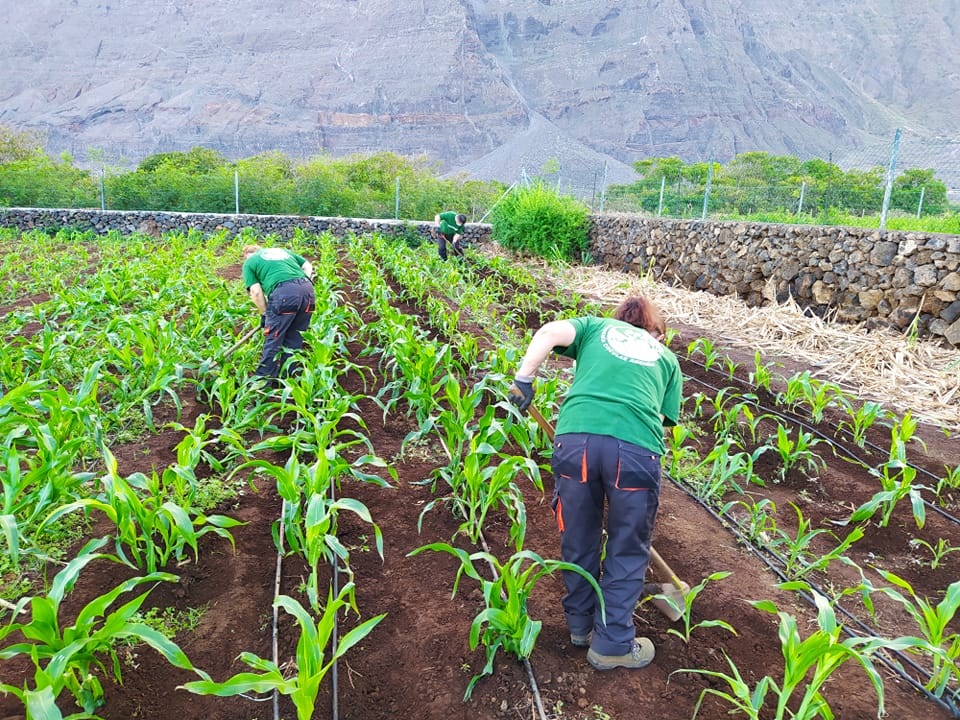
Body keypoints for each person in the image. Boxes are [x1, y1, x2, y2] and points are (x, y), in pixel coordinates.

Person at [508, 296, 682, 671]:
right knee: (626, 545)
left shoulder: (596, 328)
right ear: (655, 331)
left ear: (619, 319)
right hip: (635, 453)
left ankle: (580, 626)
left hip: (576, 442)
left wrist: (524, 380)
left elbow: (550, 332)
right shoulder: (664, 356)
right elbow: (663, 420)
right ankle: (613, 644)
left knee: (579, 535)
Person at [241, 244, 315, 383]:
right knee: (295, 336)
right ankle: (289, 378)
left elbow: (256, 292)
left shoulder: (249, 263)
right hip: (308, 291)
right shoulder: (282, 252)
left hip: (285, 294)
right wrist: (300, 285)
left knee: (274, 338)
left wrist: (265, 314)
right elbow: (307, 265)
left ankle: (263, 381)